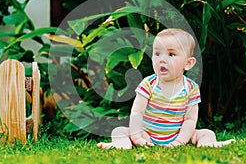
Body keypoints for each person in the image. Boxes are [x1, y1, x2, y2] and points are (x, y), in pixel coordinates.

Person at [97, 28, 235, 149]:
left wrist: (180, 141)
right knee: (119, 131)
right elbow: (137, 112)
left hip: (176, 134)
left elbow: (190, 120)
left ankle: (208, 144)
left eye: (171, 54)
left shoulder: (191, 88)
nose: (162, 60)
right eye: (157, 54)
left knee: (206, 133)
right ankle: (122, 145)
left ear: (188, 63)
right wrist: (137, 137)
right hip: (147, 135)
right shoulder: (148, 84)